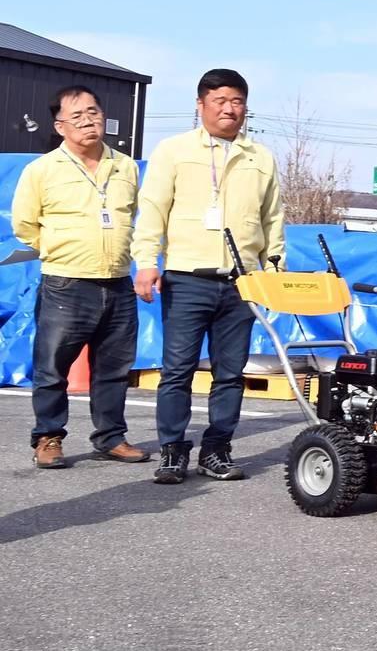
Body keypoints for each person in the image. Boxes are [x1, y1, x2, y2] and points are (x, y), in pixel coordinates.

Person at [132, 69, 284, 485]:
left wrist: (272, 270)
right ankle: (173, 451)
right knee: (177, 369)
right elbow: (153, 210)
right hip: (187, 278)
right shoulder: (174, 150)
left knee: (230, 372)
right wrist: (147, 261)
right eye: (219, 101)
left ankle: (217, 450)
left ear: (246, 108)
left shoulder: (260, 157)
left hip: (241, 282)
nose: (229, 109)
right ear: (200, 105)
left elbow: (273, 219)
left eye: (236, 101)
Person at [11, 86, 148, 468]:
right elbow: (25, 225)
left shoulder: (125, 166)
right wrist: (59, 249)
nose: (88, 121)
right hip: (66, 284)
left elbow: (133, 215)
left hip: (118, 282)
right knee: (53, 367)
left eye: (94, 112)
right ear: (59, 126)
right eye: (78, 116)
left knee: (114, 368)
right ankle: (48, 437)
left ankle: (111, 437)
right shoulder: (41, 170)